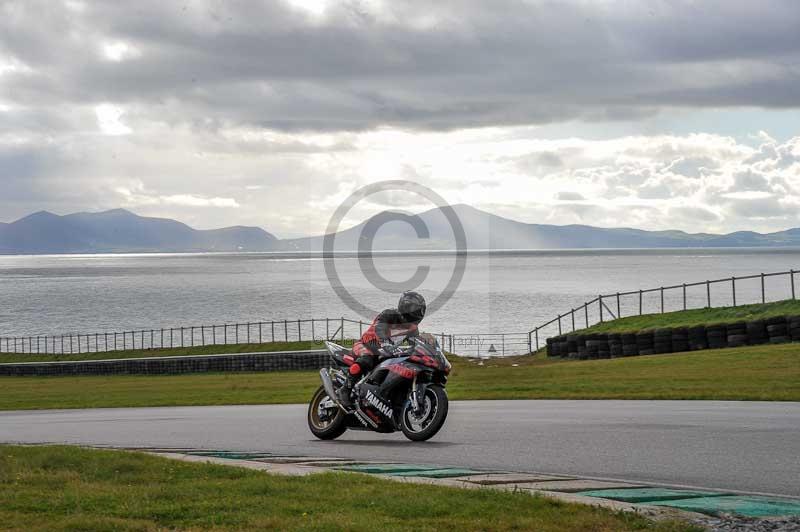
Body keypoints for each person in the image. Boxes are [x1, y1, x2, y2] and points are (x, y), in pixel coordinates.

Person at [337, 291, 426, 408]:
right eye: (415, 309)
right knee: (367, 359)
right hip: (366, 344)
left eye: (420, 310)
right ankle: (345, 390)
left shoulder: (413, 328)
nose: (417, 313)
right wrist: (385, 343)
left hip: (386, 352)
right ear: (405, 306)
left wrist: (421, 353)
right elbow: (379, 328)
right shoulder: (389, 314)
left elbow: (415, 344)